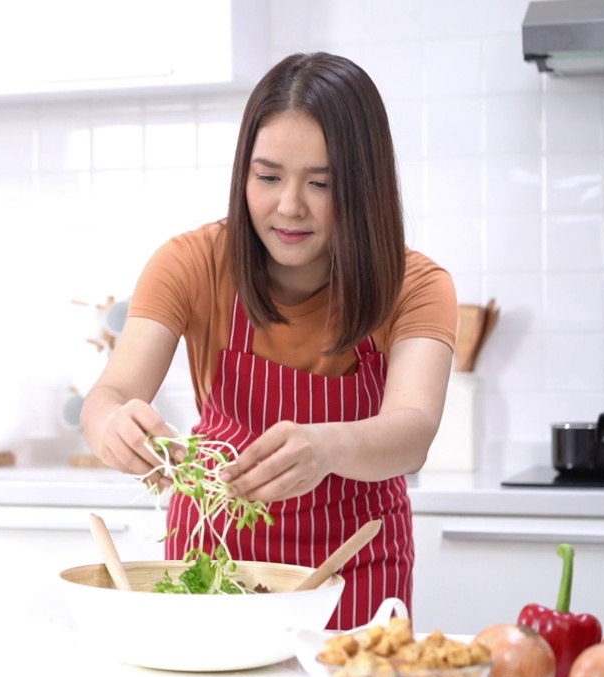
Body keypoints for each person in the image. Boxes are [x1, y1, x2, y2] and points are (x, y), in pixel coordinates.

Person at [80, 52, 457, 630]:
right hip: (212, 562)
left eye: (322, 183)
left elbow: (412, 433)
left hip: (352, 568)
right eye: (269, 176)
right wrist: (115, 429)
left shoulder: (416, 284)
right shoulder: (191, 262)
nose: (289, 206)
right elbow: (110, 394)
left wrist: (326, 448)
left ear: (364, 185)